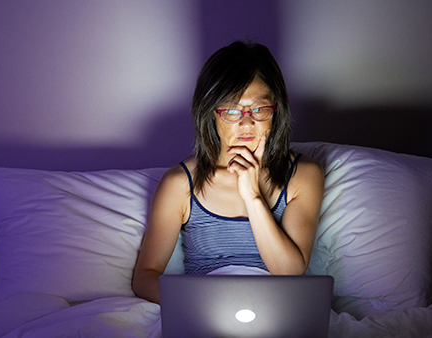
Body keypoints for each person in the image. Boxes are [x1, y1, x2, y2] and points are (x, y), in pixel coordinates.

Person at [131, 41, 324, 304]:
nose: (246, 122)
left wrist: (253, 197)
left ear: (276, 112)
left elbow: (289, 271)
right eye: (232, 110)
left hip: (275, 308)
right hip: (204, 308)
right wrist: (199, 302)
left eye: (259, 109)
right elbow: (145, 277)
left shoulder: (304, 175)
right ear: (211, 113)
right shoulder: (180, 183)